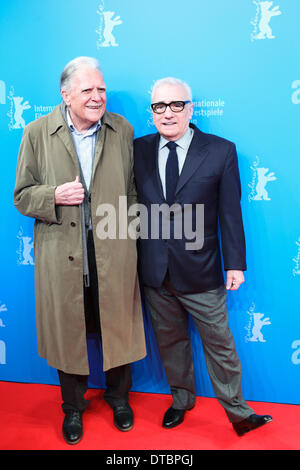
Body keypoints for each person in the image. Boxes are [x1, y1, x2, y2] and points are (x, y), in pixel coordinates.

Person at [14, 56, 146, 445]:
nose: (97, 97)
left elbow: (133, 190)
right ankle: (73, 408)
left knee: (116, 321)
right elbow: (21, 196)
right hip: (62, 251)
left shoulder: (122, 129)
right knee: (68, 328)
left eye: (101, 89)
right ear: (65, 93)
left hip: (114, 248)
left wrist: (131, 235)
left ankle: (119, 400)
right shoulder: (37, 132)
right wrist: (52, 195)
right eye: (87, 90)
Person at [133, 77, 272, 436]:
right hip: (154, 270)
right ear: (152, 113)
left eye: (175, 105)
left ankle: (239, 413)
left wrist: (235, 263)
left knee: (221, 345)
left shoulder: (221, 151)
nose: (167, 113)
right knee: (170, 342)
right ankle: (181, 400)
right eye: (159, 107)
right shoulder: (137, 150)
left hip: (202, 270)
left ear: (190, 108)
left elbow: (230, 212)